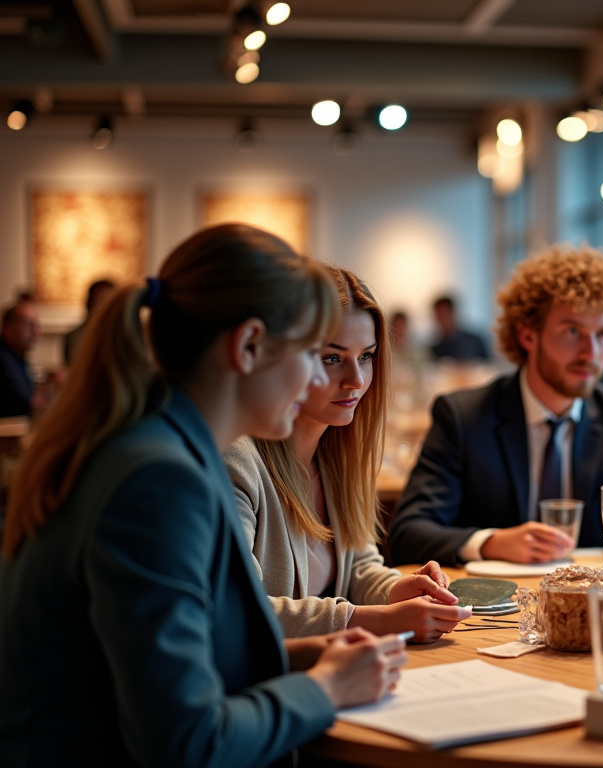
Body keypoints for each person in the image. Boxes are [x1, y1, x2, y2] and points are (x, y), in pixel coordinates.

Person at [0, 224, 407, 767]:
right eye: (315, 354)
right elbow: (187, 744)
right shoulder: (159, 482)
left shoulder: (164, 446)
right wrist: (327, 688)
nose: (326, 378)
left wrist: (317, 654)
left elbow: (195, 658)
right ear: (248, 346)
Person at [224, 267, 472, 640]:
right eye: (332, 358)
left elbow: (360, 566)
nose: (356, 380)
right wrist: (374, 619)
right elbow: (238, 610)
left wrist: (399, 589)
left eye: (367, 356)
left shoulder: (337, 454)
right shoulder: (237, 461)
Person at [389, 245, 603, 566]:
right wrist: (491, 542)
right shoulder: (464, 418)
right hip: (495, 606)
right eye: (572, 331)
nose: (591, 352)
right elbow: (407, 535)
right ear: (527, 336)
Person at [0, 301, 39, 418]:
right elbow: (28, 404)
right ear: (9, 328)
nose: (36, 332)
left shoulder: (16, 356)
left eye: (36, 325)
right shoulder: (4, 359)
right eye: (29, 325)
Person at [63, 278, 116, 364]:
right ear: (90, 303)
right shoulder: (73, 336)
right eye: (100, 301)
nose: (104, 308)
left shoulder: (125, 336)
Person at [428, 294, 489, 361]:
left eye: (444, 313)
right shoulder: (435, 348)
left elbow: (489, 365)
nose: (442, 319)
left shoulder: (474, 341)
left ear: (452, 313)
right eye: (438, 315)